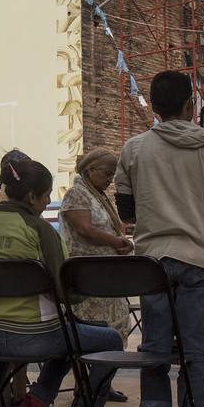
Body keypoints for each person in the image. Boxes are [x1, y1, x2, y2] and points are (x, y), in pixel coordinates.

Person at [115, 70, 204, 407]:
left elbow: (126, 211)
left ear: (153, 107)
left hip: (153, 263)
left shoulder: (133, 149)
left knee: (153, 354)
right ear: (190, 106)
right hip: (199, 259)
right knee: (194, 357)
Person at [0, 157, 122, 407]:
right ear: (31, 197)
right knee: (110, 339)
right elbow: (65, 288)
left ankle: (37, 403)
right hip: (36, 337)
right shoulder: (38, 229)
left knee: (70, 335)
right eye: (45, 196)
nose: (48, 201)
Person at [59, 147, 134, 344]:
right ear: (91, 170)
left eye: (112, 174)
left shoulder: (98, 195)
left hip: (107, 275)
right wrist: (117, 242)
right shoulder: (77, 193)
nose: (110, 179)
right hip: (89, 276)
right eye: (107, 173)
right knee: (96, 337)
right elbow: (84, 228)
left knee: (113, 333)